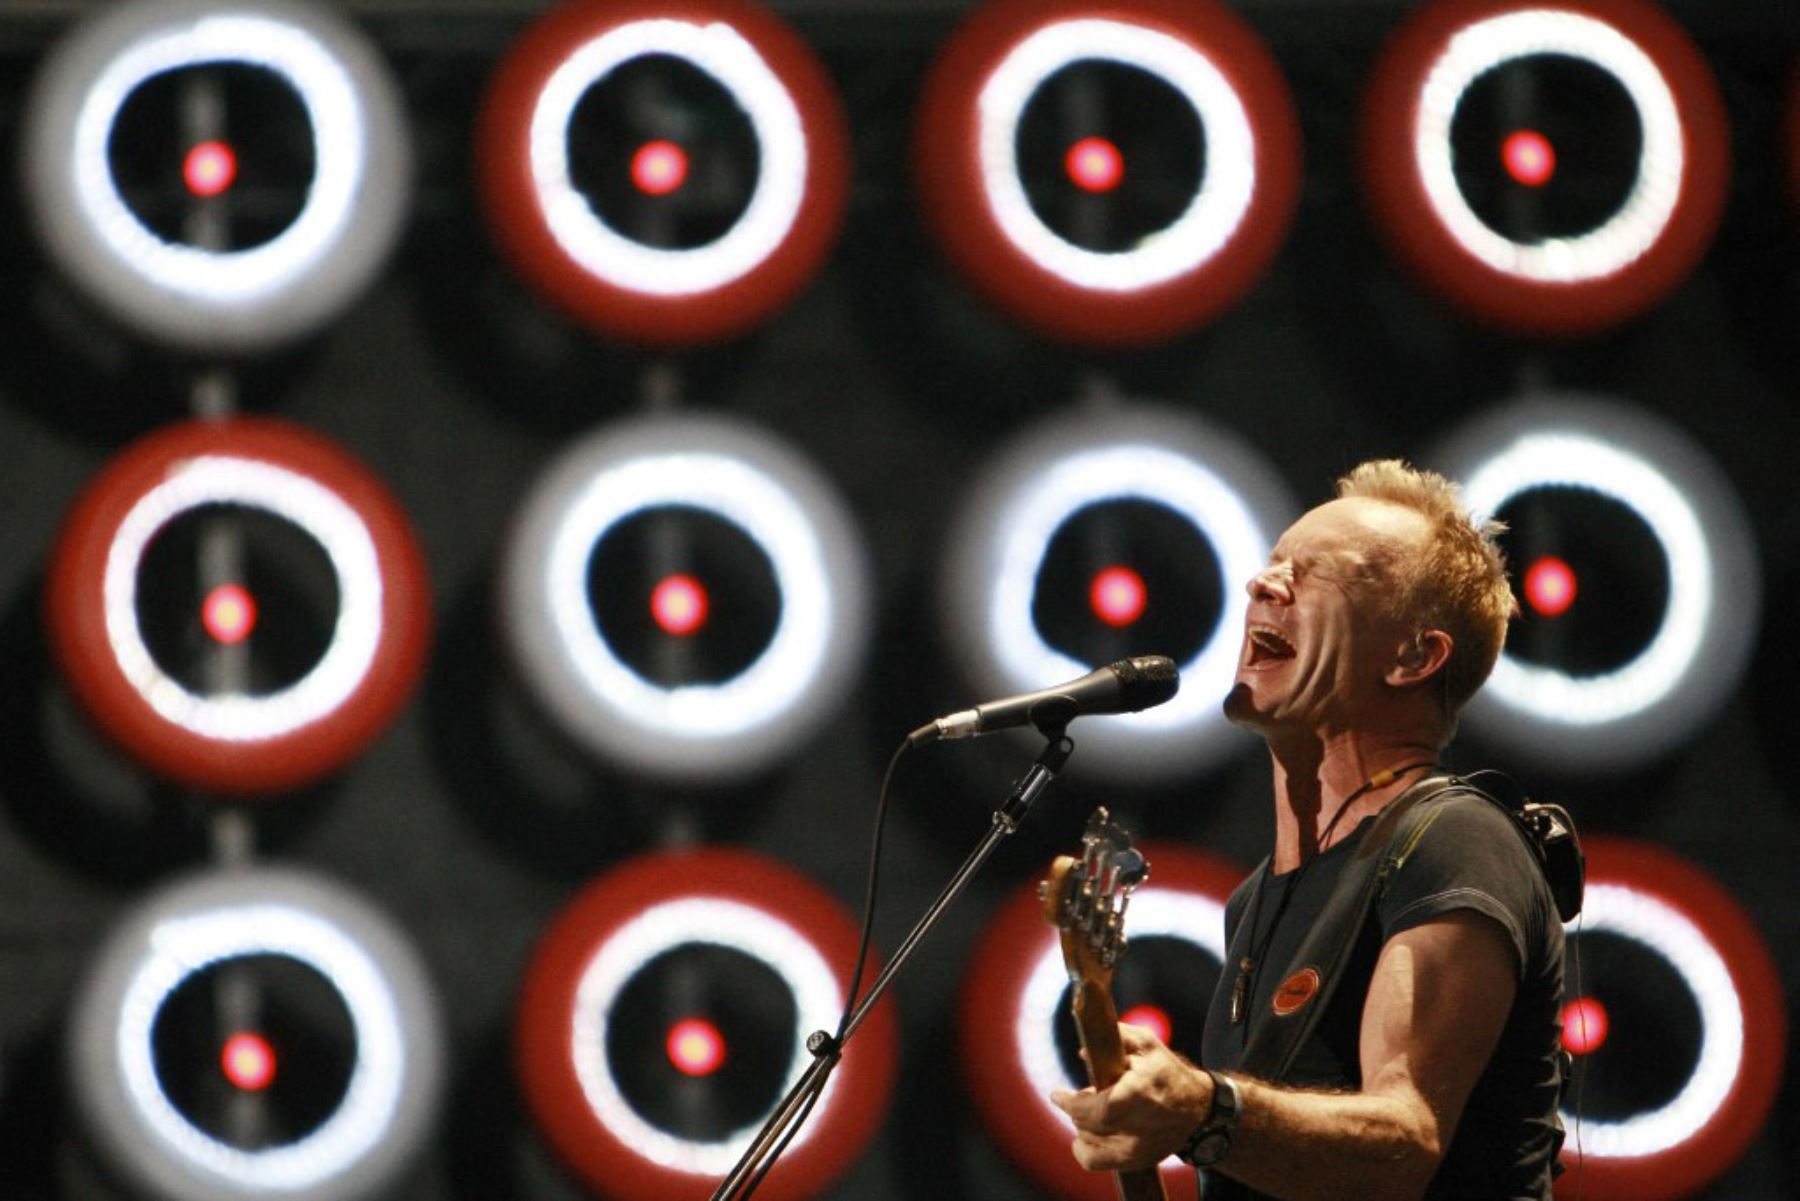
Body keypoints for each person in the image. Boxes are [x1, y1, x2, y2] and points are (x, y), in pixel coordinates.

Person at [1050, 460, 1566, 1200]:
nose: (1265, 586)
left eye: (1320, 575)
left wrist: (1205, 1108)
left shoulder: (1453, 839)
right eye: (1272, 567)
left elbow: (1405, 1139)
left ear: (1415, 655)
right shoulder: (1254, 901)